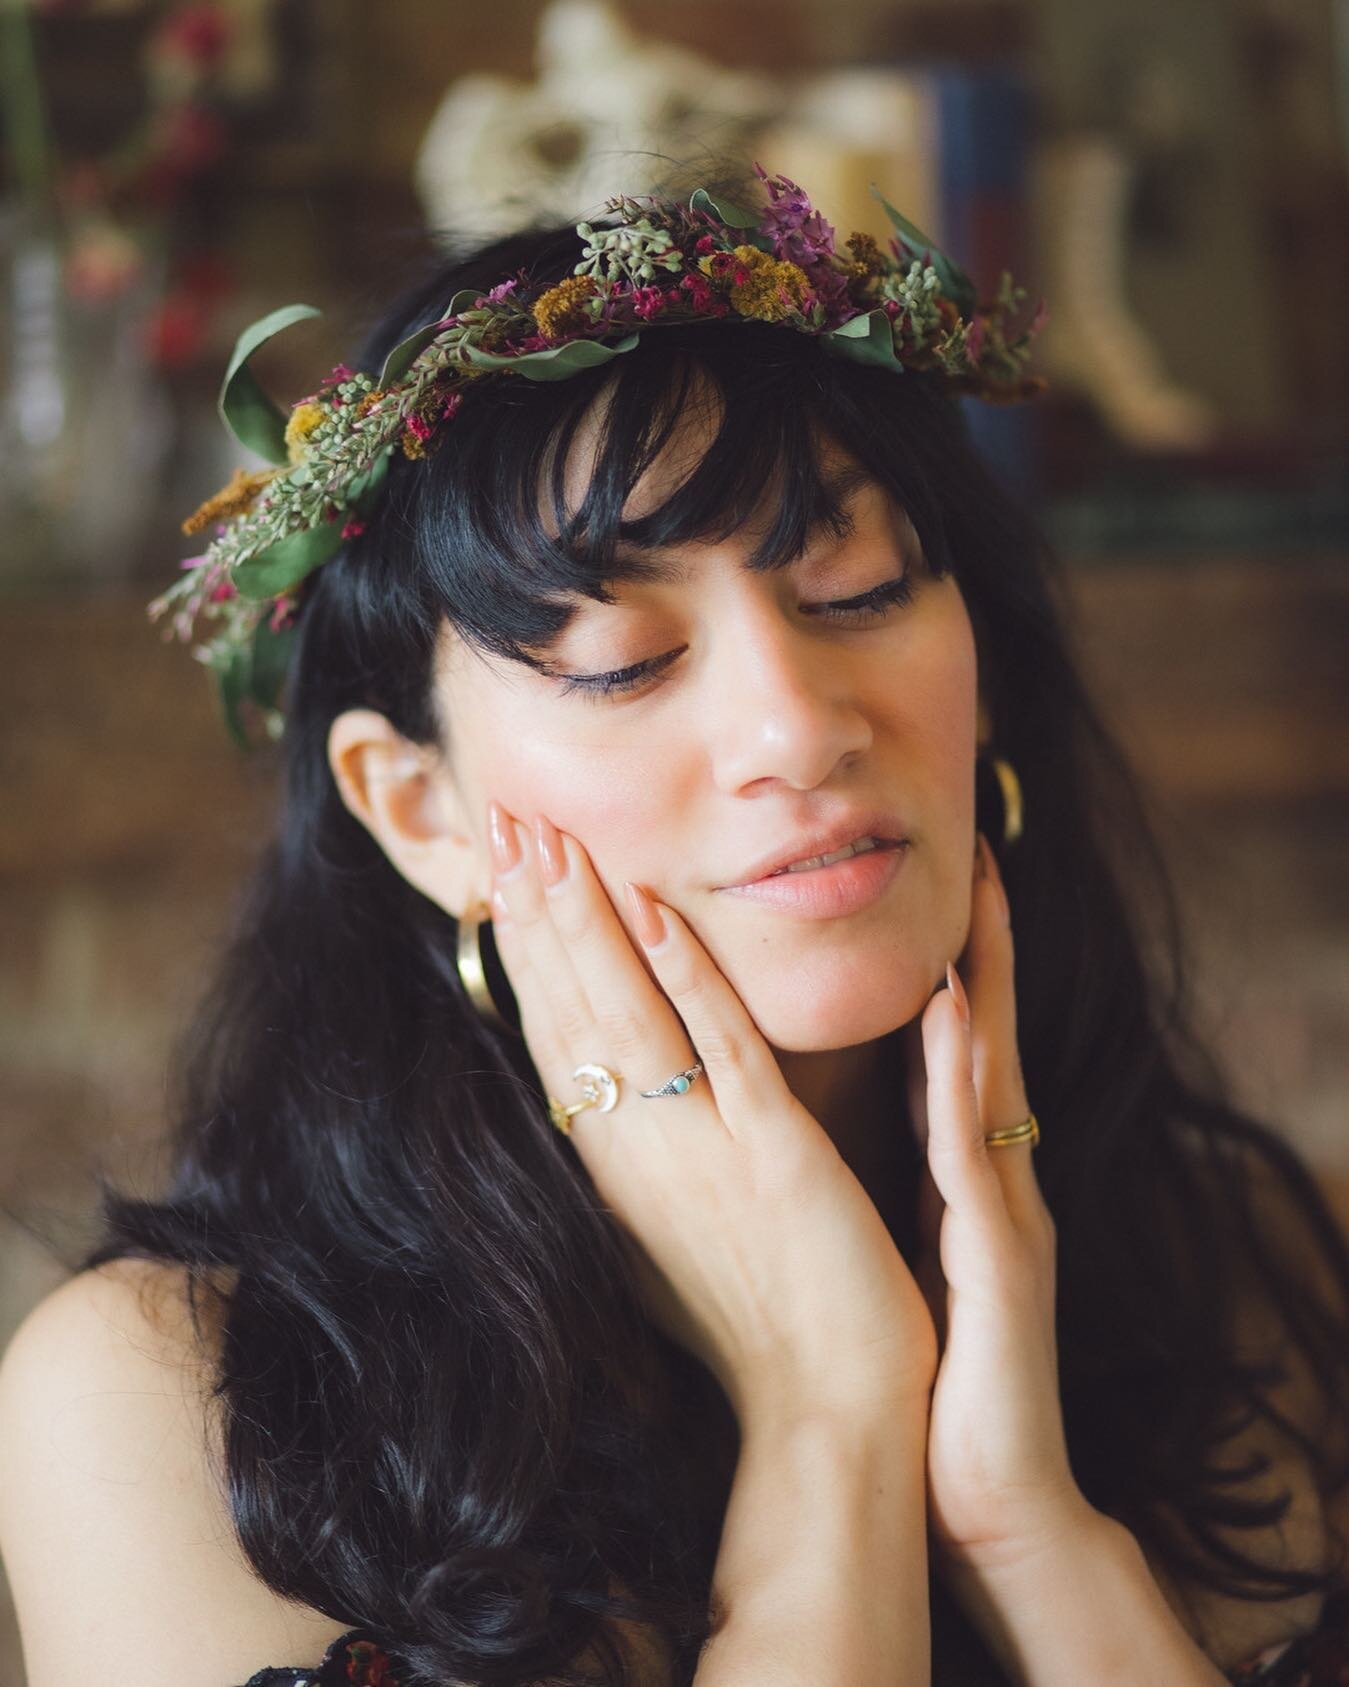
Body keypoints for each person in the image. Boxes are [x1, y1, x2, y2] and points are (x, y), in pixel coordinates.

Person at [0, 167, 1346, 1687]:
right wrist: (823, 1409)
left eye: (854, 587)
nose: (796, 726)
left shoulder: (1230, 1274)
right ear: (421, 813)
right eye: (623, 659)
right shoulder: (167, 1402)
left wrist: (1028, 1535)